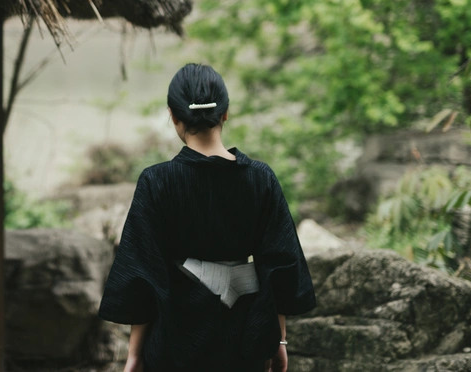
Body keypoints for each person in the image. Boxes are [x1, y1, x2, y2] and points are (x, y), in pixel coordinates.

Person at [98, 64, 316, 372]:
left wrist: (134, 355)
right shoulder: (260, 178)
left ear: (174, 116)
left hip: (175, 340)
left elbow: (142, 273)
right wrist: (278, 340)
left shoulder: (157, 181)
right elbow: (279, 265)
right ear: (225, 113)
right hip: (245, 340)